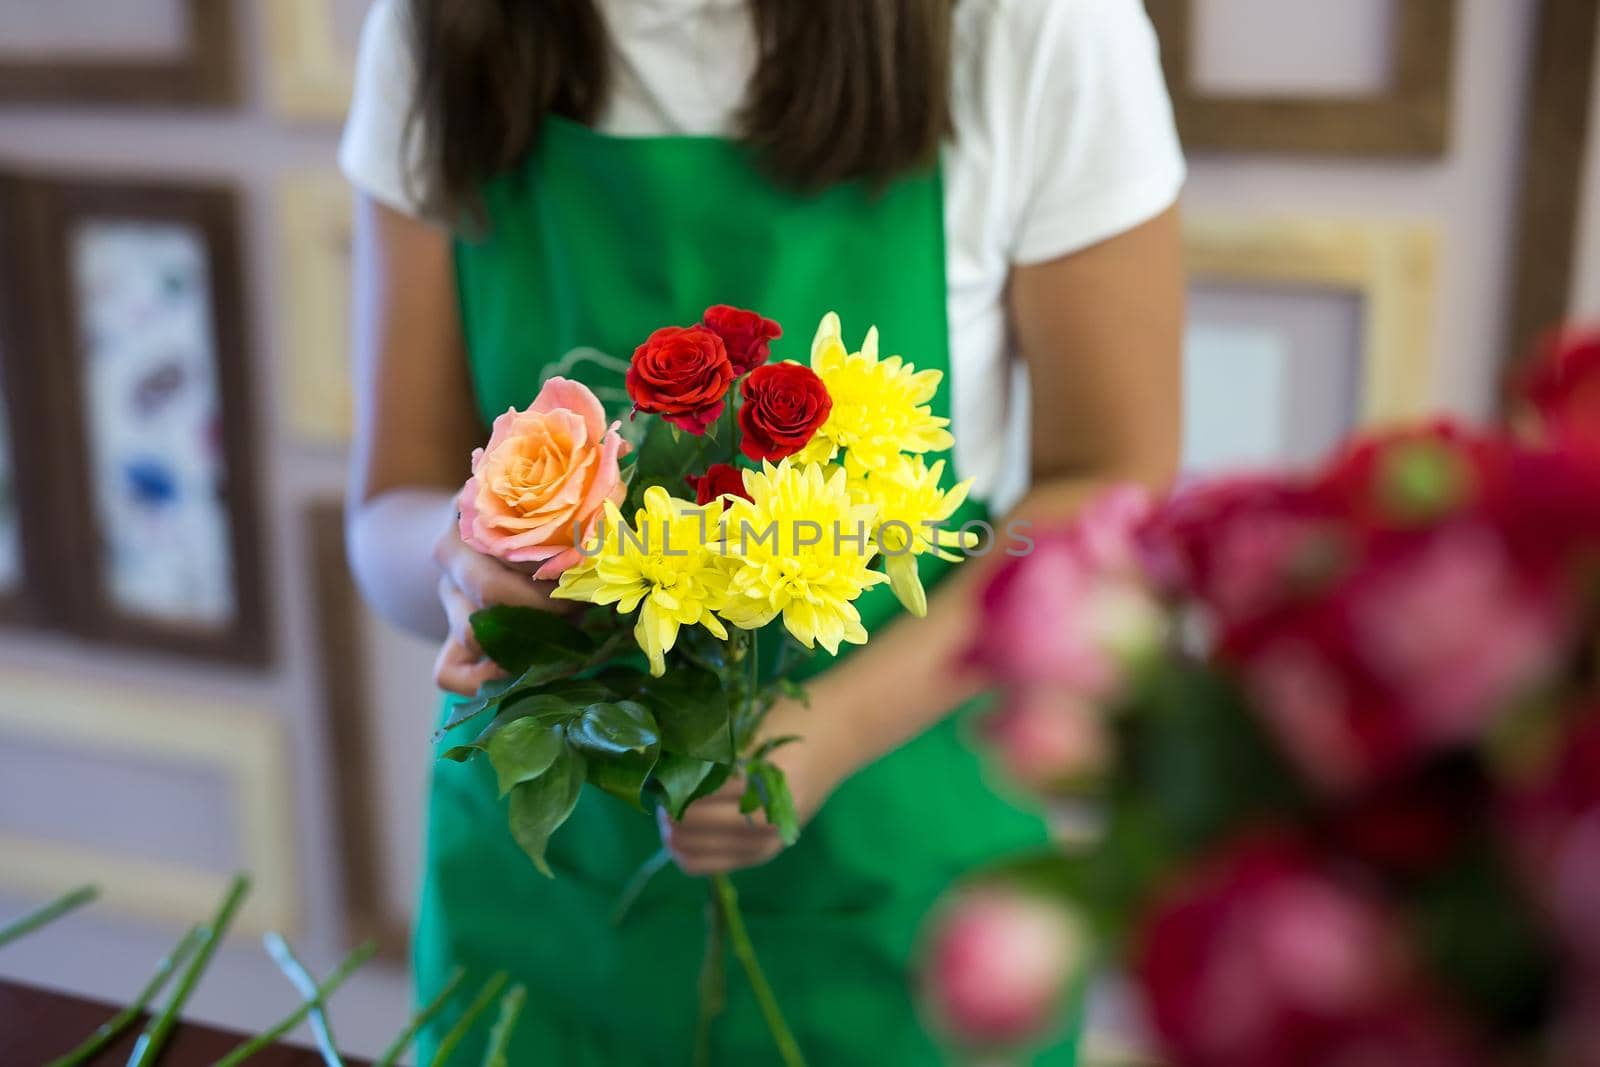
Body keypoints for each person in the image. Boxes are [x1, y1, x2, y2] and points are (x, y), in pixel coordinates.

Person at [340, 0, 1185, 1061]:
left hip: (895, 879)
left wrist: (830, 724)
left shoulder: (1035, 25)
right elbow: (389, 505)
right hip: (542, 906)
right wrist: (457, 569)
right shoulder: (437, 24)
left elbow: (1109, 481)